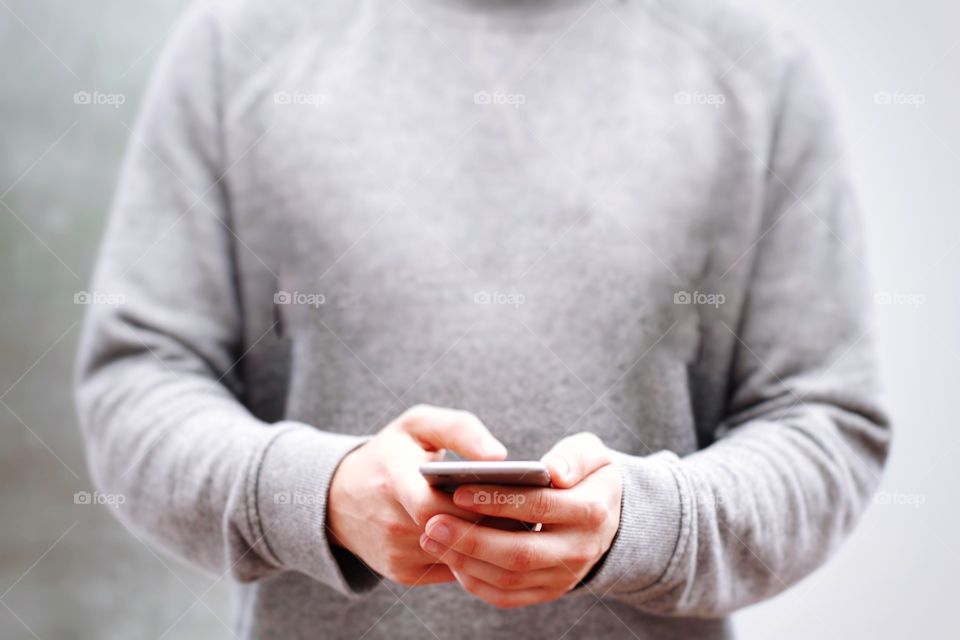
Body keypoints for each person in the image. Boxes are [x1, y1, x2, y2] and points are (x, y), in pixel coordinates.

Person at [75, 0, 890, 638]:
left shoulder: (758, 69)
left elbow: (824, 421)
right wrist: (318, 494)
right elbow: (137, 384)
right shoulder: (234, 49)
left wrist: (644, 526)